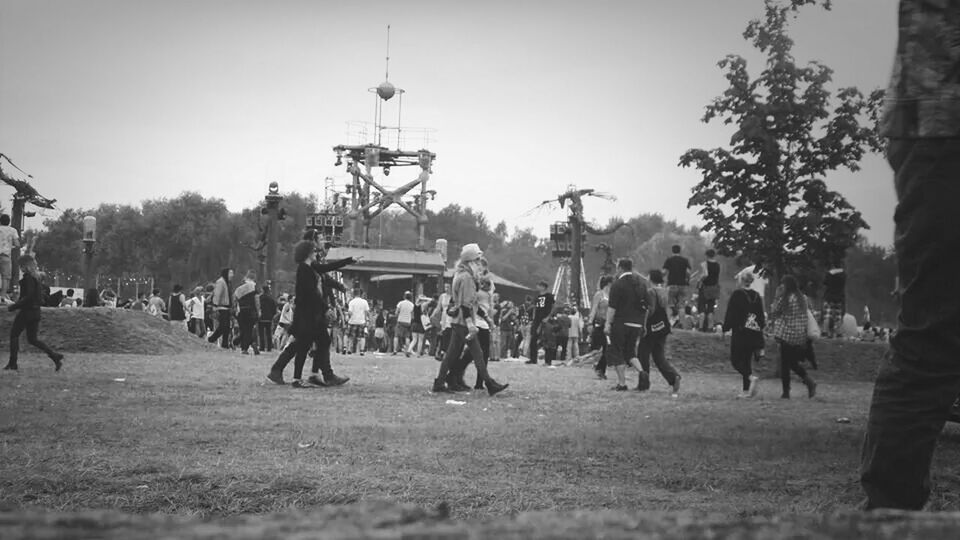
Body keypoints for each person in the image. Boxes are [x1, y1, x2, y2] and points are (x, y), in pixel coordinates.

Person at [860, 0, 960, 511]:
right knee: (933, 337)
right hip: (944, 127)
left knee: (932, 337)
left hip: (935, 123)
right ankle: (890, 516)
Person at [267, 241, 353, 387]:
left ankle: (315, 375)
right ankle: (301, 377)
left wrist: (349, 260)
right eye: (314, 251)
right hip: (308, 315)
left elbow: (327, 268)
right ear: (308, 253)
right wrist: (326, 308)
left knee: (316, 342)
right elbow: (311, 294)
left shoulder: (311, 267)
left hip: (313, 313)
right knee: (304, 344)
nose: (317, 253)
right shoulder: (304, 269)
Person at [432, 243, 508, 395]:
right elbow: (467, 304)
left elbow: (468, 303)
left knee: (452, 355)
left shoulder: (460, 275)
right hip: (464, 322)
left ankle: (440, 382)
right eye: (477, 261)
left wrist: (484, 317)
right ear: (471, 261)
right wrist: (471, 324)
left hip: (458, 321)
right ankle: (489, 383)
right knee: (478, 354)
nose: (480, 265)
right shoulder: (467, 278)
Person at [4, 254, 63, 371]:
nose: (20, 269)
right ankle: (54, 356)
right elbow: (31, 297)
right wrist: (12, 303)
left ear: (25, 266)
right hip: (36, 312)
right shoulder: (36, 278)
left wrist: (13, 306)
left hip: (27, 312)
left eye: (21, 266)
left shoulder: (28, 278)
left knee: (14, 335)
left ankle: (12, 363)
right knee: (33, 339)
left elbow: (28, 297)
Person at [604, 258, 651, 391]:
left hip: (621, 322)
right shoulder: (641, 284)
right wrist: (644, 324)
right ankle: (642, 372)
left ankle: (622, 383)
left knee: (617, 351)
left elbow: (612, 307)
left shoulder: (618, 284)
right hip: (636, 324)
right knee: (630, 352)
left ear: (620, 268)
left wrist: (608, 323)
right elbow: (646, 307)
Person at [769, 275, 817, 400]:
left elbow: (774, 312)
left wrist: (776, 296)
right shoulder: (803, 298)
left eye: (782, 285)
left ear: (787, 286)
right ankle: (808, 381)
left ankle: (787, 391)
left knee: (786, 364)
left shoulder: (785, 299)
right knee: (791, 362)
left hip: (787, 335)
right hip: (800, 336)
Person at [638, 270, 682, 395]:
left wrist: (643, 322)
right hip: (662, 327)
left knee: (643, 354)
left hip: (651, 328)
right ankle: (673, 377)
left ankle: (644, 384)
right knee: (659, 356)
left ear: (651, 278)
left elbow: (650, 310)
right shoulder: (664, 291)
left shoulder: (651, 291)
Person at [723, 272, 765, 398]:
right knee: (747, 361)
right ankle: (747, 391)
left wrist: (726, 327)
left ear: (741, 280)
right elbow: (761, 316)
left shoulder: (737, 294)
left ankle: (751, 378)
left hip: (740, 332)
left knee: (735, 360)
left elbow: (731, 312)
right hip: (754, 332)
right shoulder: (757, 296)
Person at [589, 275, 613, 380]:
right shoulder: (600, 294)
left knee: (608, 348)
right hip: (600, 323)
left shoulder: (612, 295)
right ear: (609, 283)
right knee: (600, 347)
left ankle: (601, 368)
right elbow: (594, 309)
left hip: (609, 323)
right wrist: (590, 322)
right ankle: (599, 368)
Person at [527, 280, 555, 364]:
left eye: (539, 285)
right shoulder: (537, 297)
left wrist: (548, 317)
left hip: (545, 319)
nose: (537, 287)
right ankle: (533, 359)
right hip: (537, 320)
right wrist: (533, 318)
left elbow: (553, 307)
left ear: (543, 287)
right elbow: (535, 307)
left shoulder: (549, 296)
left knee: (547, 340)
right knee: (533, 339)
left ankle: (548, 360)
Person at [662, 244, 692, 319]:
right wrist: (687, 279)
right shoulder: (685, 260)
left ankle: (670, 322)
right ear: (680, 251)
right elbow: (688, 272)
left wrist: (660, 278)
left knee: (670, 304)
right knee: (681, 305)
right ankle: (681, 324)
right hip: (682, 285)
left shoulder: (669, 260)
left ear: (672, 251)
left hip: (672, 284)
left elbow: (664, 272)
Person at [233, 271, 260, 355]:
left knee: (243, 329)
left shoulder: (238, 289)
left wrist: (235, 311)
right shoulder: (254, 287)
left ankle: (239, 342)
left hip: (241, 311)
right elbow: (257, 300)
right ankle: (245, 347)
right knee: (248, 330)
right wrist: (259, 311)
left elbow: (234, 301)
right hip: (251, 311)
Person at [207, 268, 234, 348]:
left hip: (227, 308)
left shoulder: (227, 283)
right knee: (223, 326)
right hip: (221, 307)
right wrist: (215, 306)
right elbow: (217, 294)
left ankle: (225, 344)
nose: (232, 275)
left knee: (227, 327)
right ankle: (211, 339)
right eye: (231, 273)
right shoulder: (220, 282)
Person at [821, 260, 846, 338]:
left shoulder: (829, 274)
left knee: (827, 315)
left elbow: (824, 283)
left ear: (833, 265)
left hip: (829, 297)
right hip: (839, 298)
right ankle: (839, 333)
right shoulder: (844, 274)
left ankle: (825, 332)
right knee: (838, 316)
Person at [698, 249, 721, 332]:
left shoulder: (704, 264)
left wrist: (699, 280)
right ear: (714, 255)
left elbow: (705, 274)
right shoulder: (717, 265)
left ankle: (700, 328)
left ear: (706, 255)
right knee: (711, 309)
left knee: (702, 308)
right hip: (714, 288)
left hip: (705, 288)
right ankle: (710, 328)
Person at [0, 214, 20, 304]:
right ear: (9, 222)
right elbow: (17, 244)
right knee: (5, 278)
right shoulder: (12, 230)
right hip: (5, 256)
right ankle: (2, 297)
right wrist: (10, 246)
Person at [347, 289, 370, 355]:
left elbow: (350, 312)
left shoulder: (351, 302)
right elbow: (367, 312)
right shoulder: (364, 302)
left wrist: (348, 318)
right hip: (361, 321)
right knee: (362, 337)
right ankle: (362, 350)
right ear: (361, 294)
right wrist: (367, 320)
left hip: (352, 321)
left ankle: (349, 350)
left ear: (354, 294)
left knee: (351, 336)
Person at [258, 285, 277, 353]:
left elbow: (257, 307)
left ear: (262, 290)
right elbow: (274, 310)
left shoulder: (259, 298)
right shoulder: (271, 300)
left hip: (261, 318)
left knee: (261, 333)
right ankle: (269, 347)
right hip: (269, 319)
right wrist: (271, 315)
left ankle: (262, 346)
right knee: (269, 333)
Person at [394, 291, 415, 357]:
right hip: (408, 322)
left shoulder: (400, 303)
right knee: (407, 337)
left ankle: (395, 350)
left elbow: (396, 312)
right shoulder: (412, 305)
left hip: (400, 321)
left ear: (404, 296)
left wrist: (398, 316)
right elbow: (412, 316)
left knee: (396, 336)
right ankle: (407, 351)